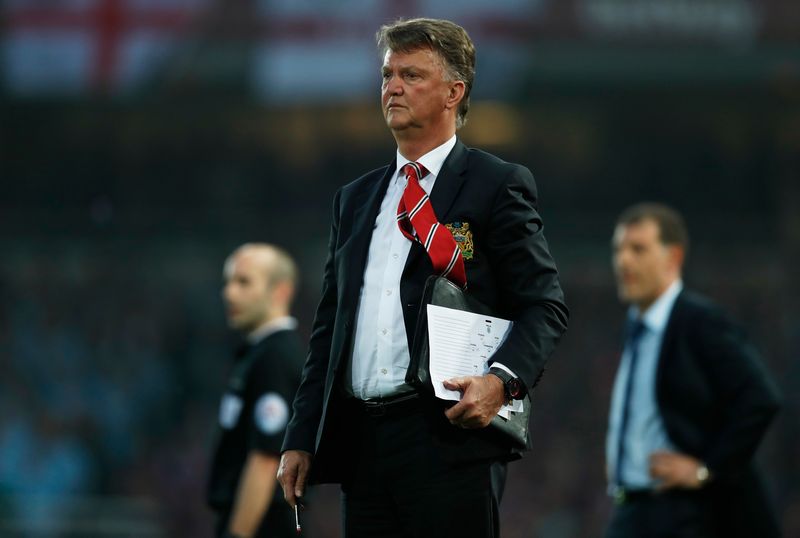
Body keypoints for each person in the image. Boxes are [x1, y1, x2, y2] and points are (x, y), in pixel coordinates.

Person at [277, 17, 568, 538]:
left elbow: (545, 304)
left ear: (454, 91)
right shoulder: (355, 199)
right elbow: (329, 329)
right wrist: (300, 436)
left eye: (411, 75)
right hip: (363, 444)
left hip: (449, 438)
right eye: (387, 75)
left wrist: (501, 383)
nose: (392, 87)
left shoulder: (494, 185)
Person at [605, 203, 781, 538]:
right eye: (618, 249)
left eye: (638, 249)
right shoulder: (636, 326)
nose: (623, 260)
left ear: (673, 257)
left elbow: (761, 398)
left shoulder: (699, 321)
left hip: (682, 510)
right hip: (632, 507)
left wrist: (707, 469)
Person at [207, 243, 306, 538]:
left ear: (281, 291)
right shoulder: (258, 353)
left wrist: (237, 535)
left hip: (264, 525)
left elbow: (266, 460)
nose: (229, 293)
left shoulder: (273, 357)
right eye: (228, 282)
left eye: (244, 282)